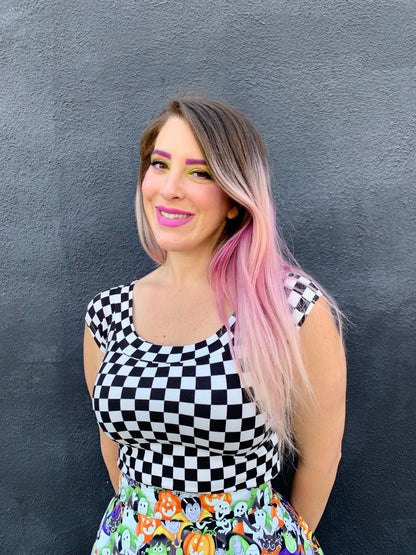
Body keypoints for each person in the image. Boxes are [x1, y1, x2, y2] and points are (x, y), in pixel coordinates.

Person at [84, 96, 346, 555]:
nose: (169, 189)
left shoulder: (290, 308)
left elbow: (322, 457)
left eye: (199, 172)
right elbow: (116, 455)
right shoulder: (107, 313)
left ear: (234, 199)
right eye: (160, 165)